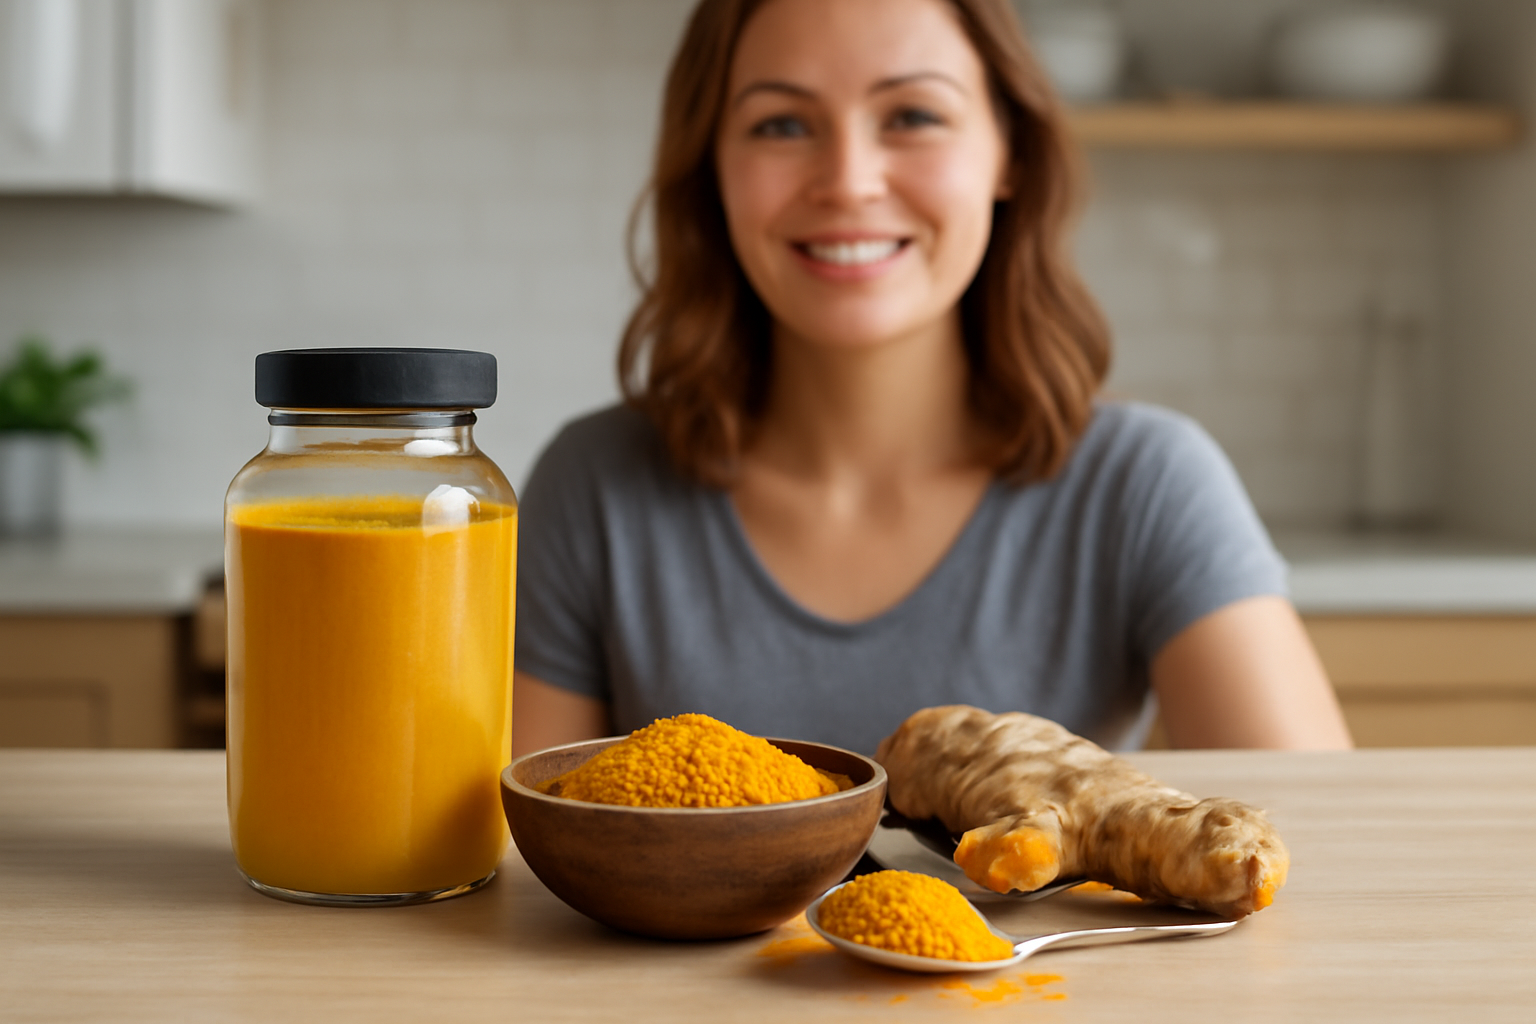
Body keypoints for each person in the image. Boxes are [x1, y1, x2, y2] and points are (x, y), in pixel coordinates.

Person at [509, 0, 1352, 758]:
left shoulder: (1146, 482)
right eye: (780, 125)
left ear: (1008, 154)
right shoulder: (593, 490)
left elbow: (1313, 848)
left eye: (912, 115)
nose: (848, 180)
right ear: (711, 168)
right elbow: (511, 880)